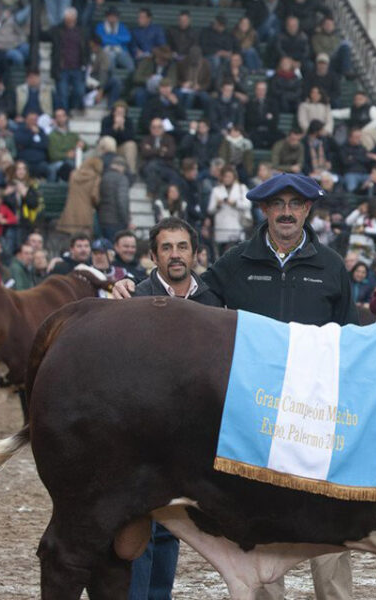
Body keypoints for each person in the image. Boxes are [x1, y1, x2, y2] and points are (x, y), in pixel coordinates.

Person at [113, 172, 358, 600]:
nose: (286, 211)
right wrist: (135, 288)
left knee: (330, 527)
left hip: (316, 414)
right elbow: (185, 294)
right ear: (264, 210)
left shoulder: (333, 268)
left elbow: (351, 340)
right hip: (257, 415)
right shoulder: (235, 264)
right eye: (277, 204)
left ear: (307, 210)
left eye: (295, 204)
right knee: (262, 523)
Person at [124, 217, 219, 600]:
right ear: (153, 255)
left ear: (195, 253)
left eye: (182, 247)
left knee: (171, 529)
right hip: (143, 433)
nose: (175, 255)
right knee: (138, 529)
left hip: (191, 436)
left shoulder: (213, 300)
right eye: (166, 247)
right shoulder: (133, 299)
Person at [50, 7, 88, 112]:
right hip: (62, 68)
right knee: (62, 93)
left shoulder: (81, 31)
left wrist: (86, 62)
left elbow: (85, 49)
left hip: (77, 67)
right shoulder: (57, 30)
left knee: (79, 91)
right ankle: (64, 115)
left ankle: (74, 107)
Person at [207, 165, 250, 253]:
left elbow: (248, 205)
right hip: (222, 229)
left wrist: (235, 203)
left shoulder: (242, 188)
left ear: (234, 177)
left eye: (229, 176)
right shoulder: (216, 190)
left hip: (237, 227)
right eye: (225, 176)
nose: (227, 179)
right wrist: (218, 205)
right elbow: (210, 210)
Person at [57, 156, 103, 237]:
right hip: (85, 213)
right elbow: (94, 196)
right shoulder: (96, 178)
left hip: (70, 212)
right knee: (83, 238)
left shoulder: (73, 174)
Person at [140, 118, 178, 199]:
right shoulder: (146, 139)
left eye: (159, 127)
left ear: (163, 128)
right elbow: (144, 153)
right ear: (150, 129)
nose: (156, 129)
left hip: (165, 166)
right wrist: (161, 151)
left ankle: (153, 193)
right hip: (149, 166)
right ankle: (155, 195)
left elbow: (171, 153)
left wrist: (152, 150)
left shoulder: (169, 139)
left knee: (174, 176)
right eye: (154, 127)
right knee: (152, 167)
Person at [47, 108, 86, 182]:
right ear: (55, 119)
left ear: (66, 117)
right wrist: (67, 155)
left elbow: (85, 146)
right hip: (58, 162)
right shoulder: (52, 136)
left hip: (72, 161)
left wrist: (82, 144)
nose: (61, 118)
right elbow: (53, 155)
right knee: (67, 166)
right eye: (58, 116)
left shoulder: (72, 135)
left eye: (63, 116)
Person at [98, 156, 131, 241]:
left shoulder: (103, 177)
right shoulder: (122, 179)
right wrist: (126, 221)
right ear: (121, 167)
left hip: (103, 219)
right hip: (116, 221)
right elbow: (122, 201)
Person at [95, 6, 134, 73]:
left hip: (120, 51)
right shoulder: (100, 26)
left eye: (115, 16)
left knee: (131, 65)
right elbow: (101, 39)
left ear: (117, 17)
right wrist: (117, 39)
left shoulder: (122, 26)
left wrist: (110, 37)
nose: (113, 18)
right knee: (110, 60)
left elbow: (127, 38)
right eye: (111, 16)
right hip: (106, 51)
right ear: (107, 17)